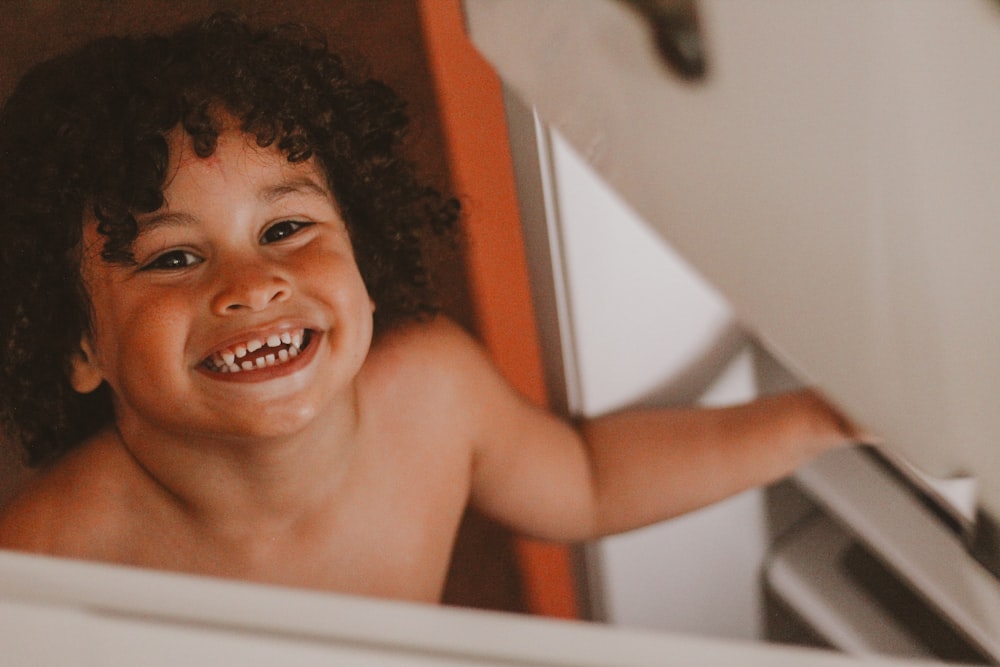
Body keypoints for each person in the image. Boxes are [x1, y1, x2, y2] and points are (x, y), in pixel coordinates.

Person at [0, 14, 860, 603]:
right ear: (79, 343)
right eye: (175, 257)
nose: (252, 284)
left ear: (363, 255)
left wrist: (814, 419)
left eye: (288, 226)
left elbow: (590, 480)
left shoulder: (432, 396)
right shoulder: (46, 558)